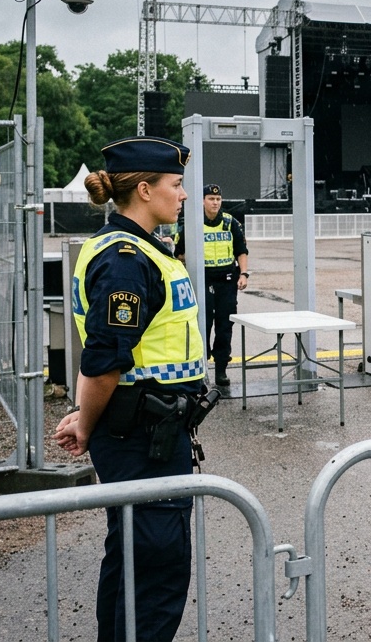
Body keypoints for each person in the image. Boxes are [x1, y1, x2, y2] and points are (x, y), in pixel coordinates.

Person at [53, 136, 212, 642]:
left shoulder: (143, 249)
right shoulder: (126, 259)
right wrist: (87, 420)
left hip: (150, 432)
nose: (184, 194)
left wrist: (86, 418)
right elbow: (102, 363)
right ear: (144, 190)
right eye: (176, 184)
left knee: (132, 563)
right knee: (156, 573)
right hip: (142, 439)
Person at [173, 183, 248, 389]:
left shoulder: (230, 223)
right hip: (202, 281)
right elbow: (178, 254)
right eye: (211, 199)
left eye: (218, 199)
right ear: (203, 201)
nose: (215, 203)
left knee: (225, 326)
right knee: (201, 326)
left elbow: (241, 250)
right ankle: (201, 369)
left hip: (226, 281)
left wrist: (243, 274)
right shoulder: (193, 224)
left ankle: (221, 369)